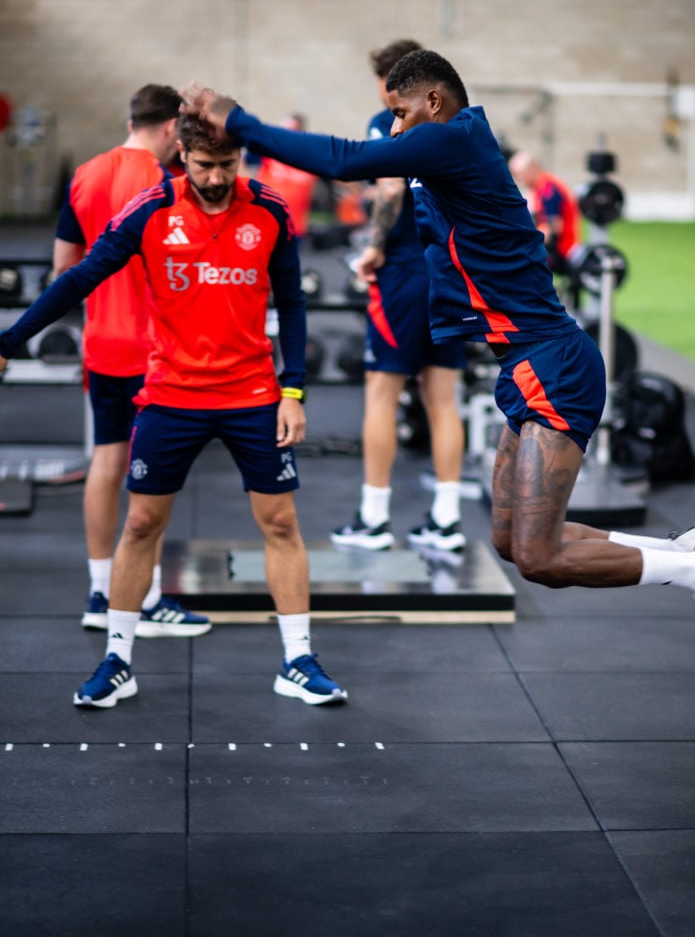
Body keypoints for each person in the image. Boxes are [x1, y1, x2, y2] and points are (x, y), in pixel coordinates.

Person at [180, 51, 695, 653]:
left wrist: (237, 120)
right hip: (526, 365)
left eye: (400, 113)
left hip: (554, 366)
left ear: (433, 102)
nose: (397, 128)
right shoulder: (457, 147)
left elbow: (347, 160)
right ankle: (688, 551)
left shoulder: (453, 142)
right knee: (512, 540)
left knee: (538, 556)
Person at [0, 113, 347, 708]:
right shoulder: (149, 210)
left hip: (253, 395)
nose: (215, 179)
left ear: (241, 158)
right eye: (204, 165)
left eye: (227, 166)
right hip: (171, 393)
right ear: (180, 153)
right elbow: (80, 277)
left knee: (283, 525)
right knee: (140, 526)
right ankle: (117, 661)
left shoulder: (267, 211)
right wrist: (10, 338)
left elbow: (291, 304)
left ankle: (297, 660)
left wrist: (294, 390)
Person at [53, 83, 210, 638]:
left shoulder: (85, 174)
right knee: (154, 478)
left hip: (101, 345)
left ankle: (102, 592)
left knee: (106, 461)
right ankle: (143, 596)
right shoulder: (170, 184)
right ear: (170, 127)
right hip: (156, 353)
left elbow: (63, 271)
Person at [331, 39, 466, 554]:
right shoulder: (456, 127)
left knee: (382, 396)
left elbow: (390, 190)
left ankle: (373, 519)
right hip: (450, 276)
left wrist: (372, 247)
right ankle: (448, 521)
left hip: (404, 274)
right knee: (442, 399)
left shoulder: (387, 117)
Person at [507, 150, 581, 277]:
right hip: (558, 248)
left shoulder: (548, 189)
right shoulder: (542, 186)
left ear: (531, 170)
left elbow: (553, 228)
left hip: (563, 250)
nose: (518, 180)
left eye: (519, 175)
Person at [244, 113, 317, 241]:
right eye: (283, 130)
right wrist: (251, 184)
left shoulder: (310, 157)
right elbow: (240, 160)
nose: (285, 135)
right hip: (266, 220)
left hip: (294, 225)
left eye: (291, 131)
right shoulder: (267, 151)